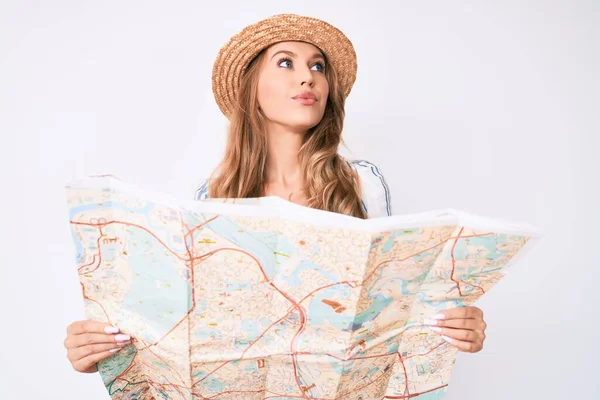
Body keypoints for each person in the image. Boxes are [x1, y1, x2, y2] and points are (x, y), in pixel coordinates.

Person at [64, 13, 487, 375]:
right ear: (253, 87)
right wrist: (103, 347)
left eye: (318, 67)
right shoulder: (208, 199)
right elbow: (187, 334)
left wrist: (451, 324)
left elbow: (393, 313)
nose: (307, 76)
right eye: (285, 63)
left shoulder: (363, 185)